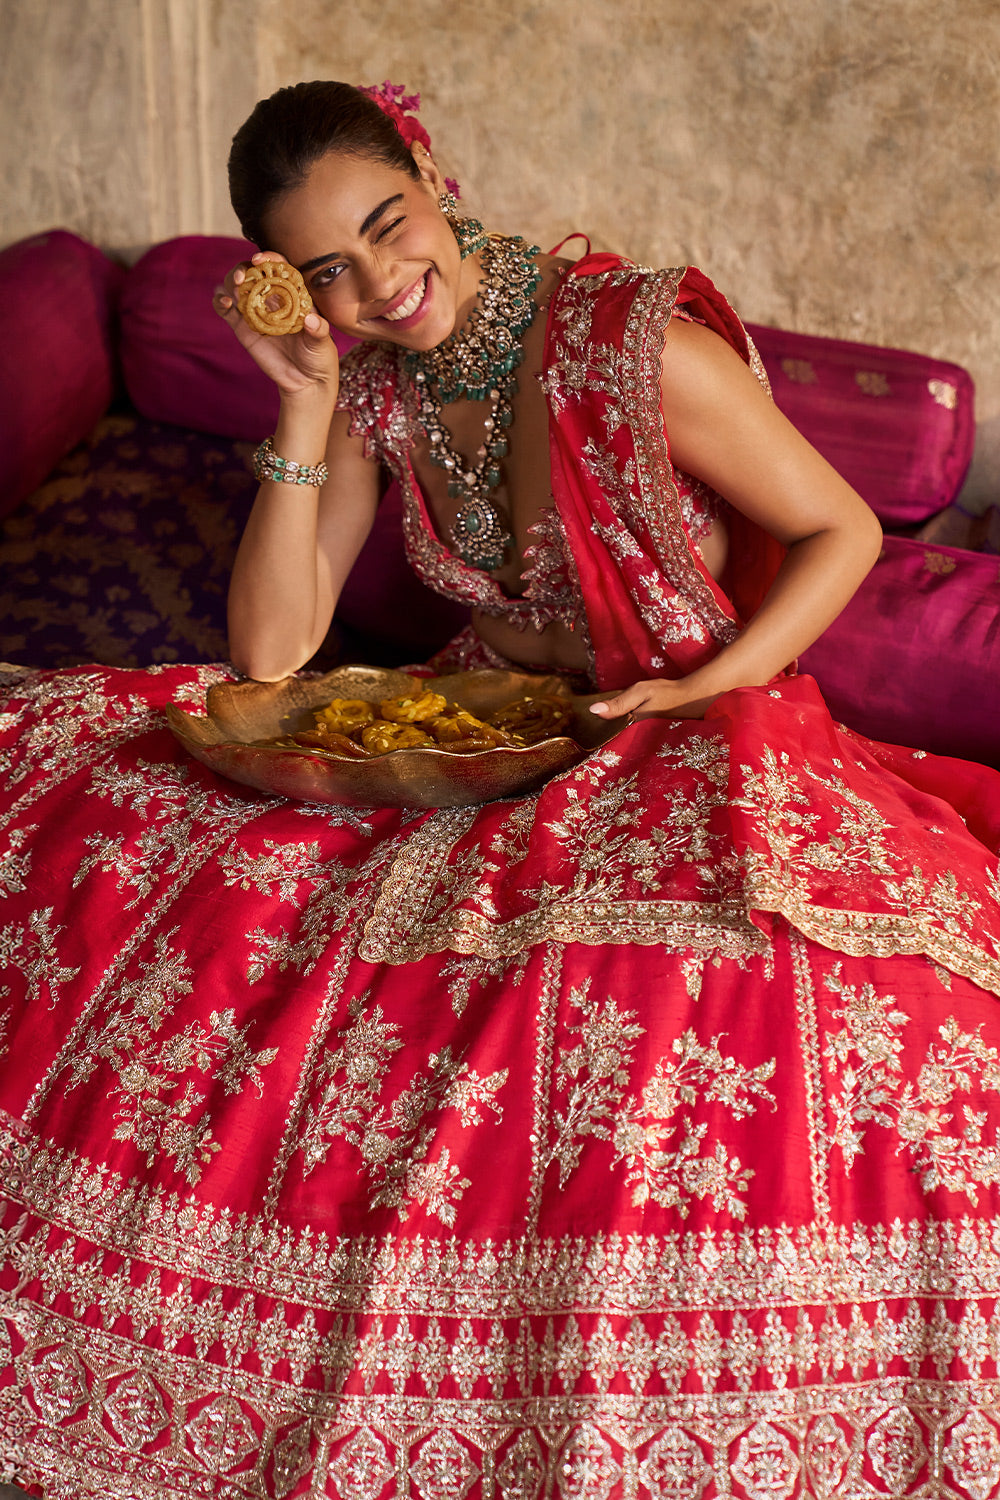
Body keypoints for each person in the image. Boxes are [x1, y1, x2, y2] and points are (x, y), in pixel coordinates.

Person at [2, 79, 999, 1500]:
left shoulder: (622, 345)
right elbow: (273, 652)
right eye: (329, 270)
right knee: (134, 829)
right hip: (480, 730)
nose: (379, 285)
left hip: (683, 723)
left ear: (433, 169)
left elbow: (838, 527)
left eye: (388, 225)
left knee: (652, 1026)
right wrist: (304, 397)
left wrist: (704, 692)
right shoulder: (378, 382)